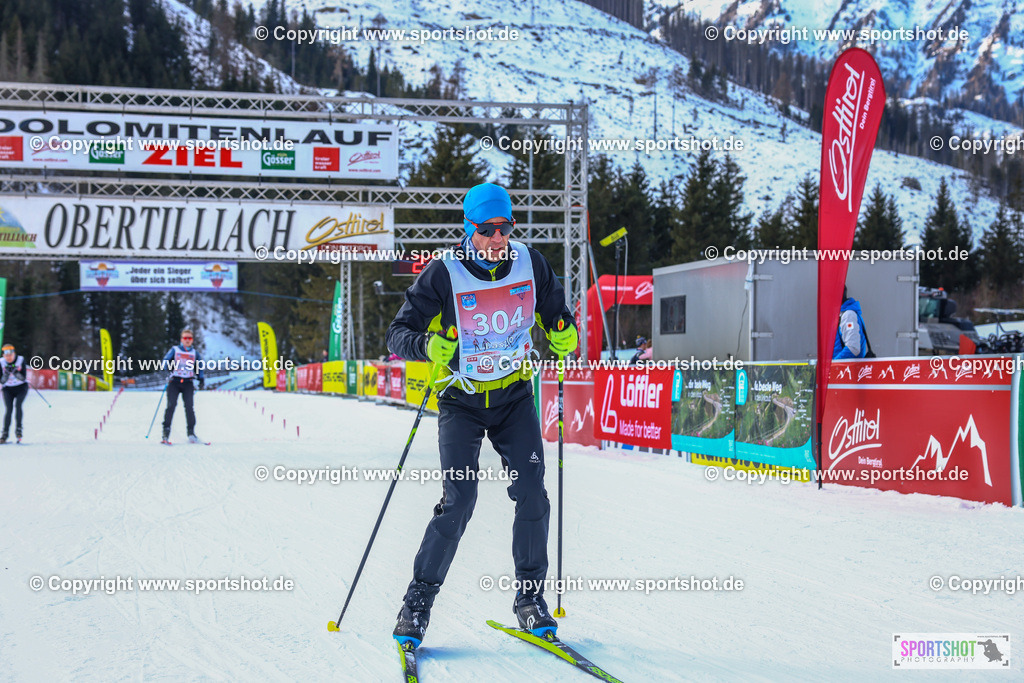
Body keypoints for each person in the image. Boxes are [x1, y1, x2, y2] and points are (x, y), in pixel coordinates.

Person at [385, 182, 578, 648]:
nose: (497, 238)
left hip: (513, 398)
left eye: (505, 228)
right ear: (468, 229)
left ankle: (531, 602)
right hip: (461, 401)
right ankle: (416, 605)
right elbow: (398, 333)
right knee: (460, 501)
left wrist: (565, 333)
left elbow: (558, 315)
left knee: (533, 493)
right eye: (487, 230)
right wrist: (428, 346)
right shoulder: (445, 273)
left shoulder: (532, 263)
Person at [161, 328, 205, 444]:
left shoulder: (195, 353)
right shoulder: (175, 350)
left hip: (188, 383)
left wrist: (201, 378)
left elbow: (199, 366)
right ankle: (166, 432)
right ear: (181, 339)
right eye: (185, 338)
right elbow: (165, 361)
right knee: (171, 406)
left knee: (189, 408)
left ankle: (191, 433)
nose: (187, 340)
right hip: (174, 382)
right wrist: (168, 367)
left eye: (189, 338)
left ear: (192, 340)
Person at [0, 343, 28, 443]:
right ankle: (4, 434)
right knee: (9, 409)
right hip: (8, 389)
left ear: (14, 354)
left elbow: (24, 377)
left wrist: (15, 372)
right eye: (6, 356)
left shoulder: (20, 360)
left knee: (18, 405)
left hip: (21, 388)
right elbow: (2, 381)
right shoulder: (1, 362)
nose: (9, 358)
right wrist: (6, 374)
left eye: (10, 356)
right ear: (3, 355)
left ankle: (18, 430)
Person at [833, 286, 870, 359]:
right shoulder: (843, 314)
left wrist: (834, 364)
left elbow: (853, 348)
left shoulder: (848, 315)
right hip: (842, 368)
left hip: (845, 369)